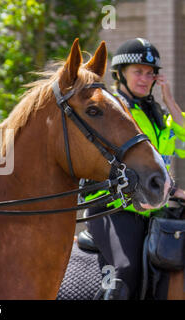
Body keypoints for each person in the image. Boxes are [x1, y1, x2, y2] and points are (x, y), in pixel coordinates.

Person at [81, 38, 185, 300]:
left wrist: (171, 103)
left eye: (150, 73)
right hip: (112, 208)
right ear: (120, 74)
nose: (145, 78)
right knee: (126, 270)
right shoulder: (112, 111)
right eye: (138, 71)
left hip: (153, 208)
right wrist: (169, 188)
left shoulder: (159, 115)